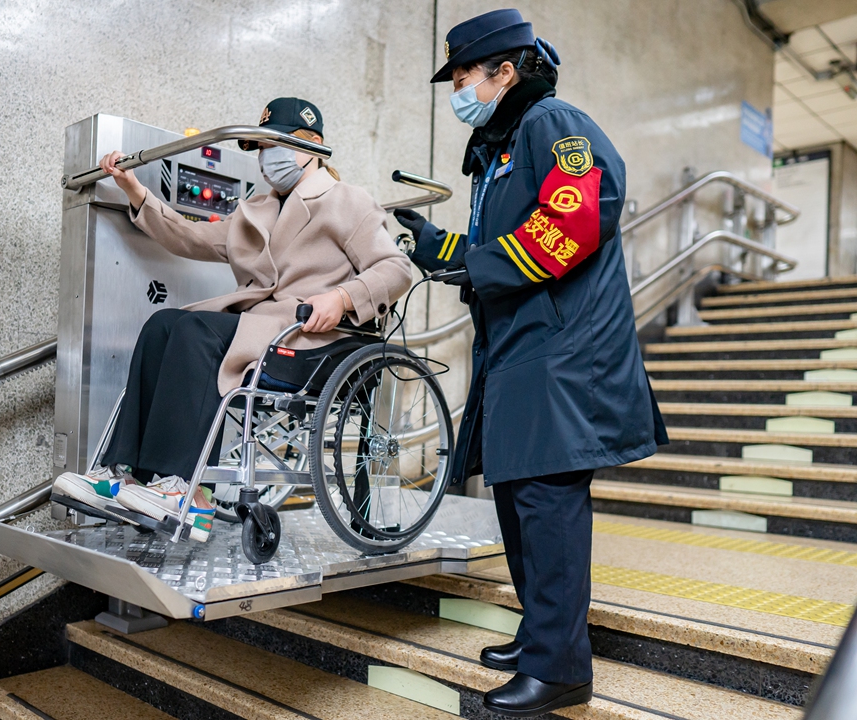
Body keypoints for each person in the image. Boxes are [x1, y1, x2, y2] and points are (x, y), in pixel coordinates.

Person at [393, 9, 667, 718]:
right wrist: (439, 246)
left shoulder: (551, 123)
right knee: (517, 501)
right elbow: (502, 246)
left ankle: (561, 669)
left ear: (504, 70)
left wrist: (472, 261)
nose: (457, 88)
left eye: (462, 74)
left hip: (561, 353)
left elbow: (573, 222)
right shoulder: (502, 147)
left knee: (546, 507)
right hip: (520, 351)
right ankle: (541, 634)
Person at [54, 97, 413, 543]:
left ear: (312, 146)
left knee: (194, 332)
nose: (267, 157)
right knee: (163, 324)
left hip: (312, 340)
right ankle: (124, 473)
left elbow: (396, 269)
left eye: (274, 144)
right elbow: (190, 236)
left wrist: (342, 298)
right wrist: (135, 192)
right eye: (260, 147)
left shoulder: (347, 201)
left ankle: (185, 488)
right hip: (260, 330)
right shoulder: (255, 209)